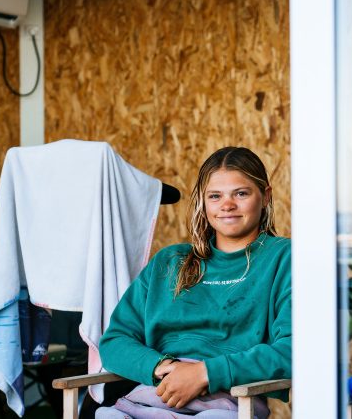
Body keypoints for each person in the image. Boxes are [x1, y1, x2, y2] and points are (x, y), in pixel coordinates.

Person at [97, 146, 292, 418]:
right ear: (203, 200)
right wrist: (164, 367)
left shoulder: (284, 258)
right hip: (152, 398)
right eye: (215, 196)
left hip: (230, 404)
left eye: (241, 193)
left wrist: (204, 374)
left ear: (266, 196)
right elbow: (115, 340)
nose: (227, 205)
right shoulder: (169, 261)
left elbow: (293, 349)